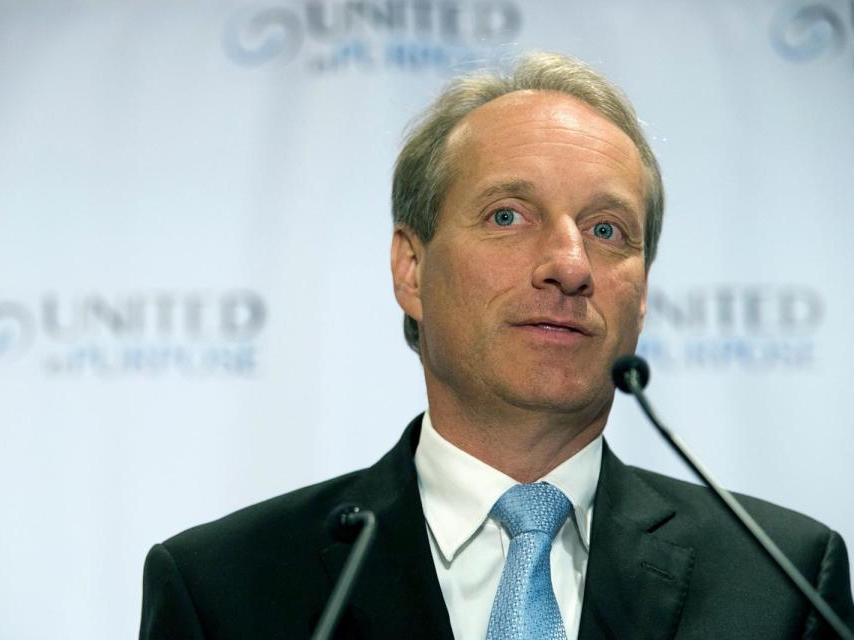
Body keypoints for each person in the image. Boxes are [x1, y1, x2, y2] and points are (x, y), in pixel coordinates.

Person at [139, 52, 854, 639]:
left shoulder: (780, 583)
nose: (571, 265)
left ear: (642, 290)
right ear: (411, 269)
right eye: (508, 215)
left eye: (608, 230)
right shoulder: (226, 590)